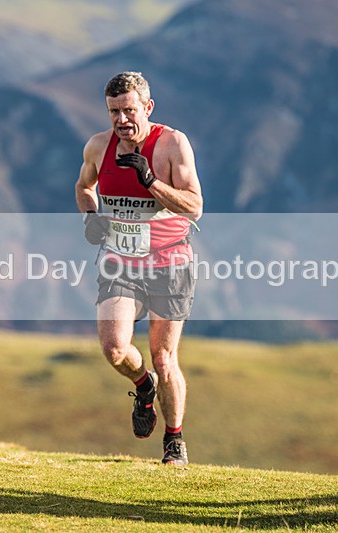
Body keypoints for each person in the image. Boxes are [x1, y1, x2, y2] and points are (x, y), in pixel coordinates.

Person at [75, 71, 203, 466]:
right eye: (114, 111)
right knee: (114, 349)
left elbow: (195, 206)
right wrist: (91, 215)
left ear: (147, 107)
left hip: (169, 262)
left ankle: (174, 441)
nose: (121, 119)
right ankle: (142, 385)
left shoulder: (172, 144)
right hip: (120, 263)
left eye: (129, 110)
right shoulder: (98, 146)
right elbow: (83, 187)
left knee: (164, 357)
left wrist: (149, 180)